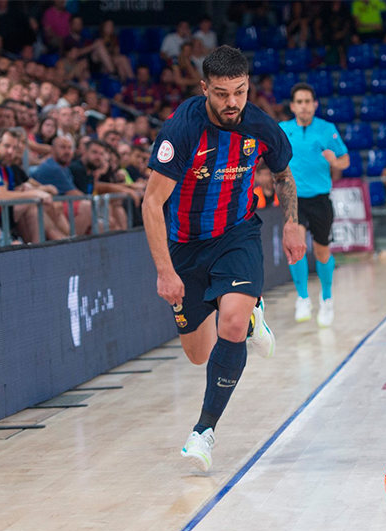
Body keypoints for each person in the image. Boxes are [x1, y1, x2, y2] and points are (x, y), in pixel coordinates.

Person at [143, 46, 305, 472]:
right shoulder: (181, 130)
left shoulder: (260, 125)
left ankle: (204, 431)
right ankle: (252, 314)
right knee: (198, 353)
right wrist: (165, 270)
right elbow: (150, 203)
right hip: (184, 245)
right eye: (221, 93)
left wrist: (291, 222)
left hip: (237, 233)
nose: (232, 102)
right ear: (204, 89)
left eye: (239, 91)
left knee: (230, 324)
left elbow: (284, 174)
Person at [279, 82, 349, 326]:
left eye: (308, 101)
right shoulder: (283, 130)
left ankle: (327, 299)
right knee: (295, 249)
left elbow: (345, 160)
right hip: (294, 200)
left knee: (322, 251)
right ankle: (302, 297)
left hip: (320, 199)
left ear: (315, 105)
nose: (304, 106)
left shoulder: (326, 129)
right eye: (299, 102)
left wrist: (335, 161)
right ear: (292, 106)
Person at [0, 127, 53, 243]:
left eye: (15, 148)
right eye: (7, 146)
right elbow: (2, 196)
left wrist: (22, 190)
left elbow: (9, 192)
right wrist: (35, 193)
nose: (11, 152)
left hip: (1, 219)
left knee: (32, 207)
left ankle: (36, 247)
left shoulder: (6, 168)